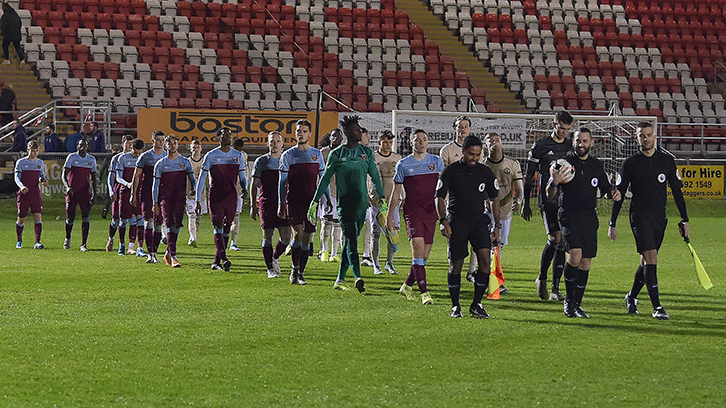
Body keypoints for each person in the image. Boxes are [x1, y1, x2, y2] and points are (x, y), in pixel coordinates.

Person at [609, 122, 690, 320]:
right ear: (636, 139)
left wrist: (684, 219)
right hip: (639, 216)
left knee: (646, 263)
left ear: (655, 136)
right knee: (652, 258)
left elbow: (677, 193)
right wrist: (612, 223)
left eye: (648, 135)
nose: (645, 139)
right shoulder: (630, 163)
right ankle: (657, 307)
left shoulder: (667, 161)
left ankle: (631, 296)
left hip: (659, 217)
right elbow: (619, 195)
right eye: (641, 136)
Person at [546, 128, 621, 318]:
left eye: (585, 141)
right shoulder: (562, 164)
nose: (581, 144)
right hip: (568, 215)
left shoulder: (596, 165)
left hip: (589, 216)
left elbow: (605, 188)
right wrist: (554, 182)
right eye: (578, 141)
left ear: (592, 143)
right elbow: (549, 193)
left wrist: (613, 192)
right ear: (573, 142)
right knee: (575, 256)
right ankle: (568, 301)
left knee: (586, 262)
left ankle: (577, 304)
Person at [312, 115, 386, 293]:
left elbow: (374, 176)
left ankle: (339, 279)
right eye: (356, 129)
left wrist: (381, 199)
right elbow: (325, 179)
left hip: (362, 205)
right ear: (347, 132)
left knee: (349, 243)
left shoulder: (366, 153)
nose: (360, 131)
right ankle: (358, 277)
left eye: (360, 129)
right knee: (351, 240)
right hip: (345, 205)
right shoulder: (337, 154)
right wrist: (315, 202)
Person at [436, 136, 501, 318]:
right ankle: (455, 306)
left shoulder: (485, 172)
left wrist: (497, 226)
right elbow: (439, 197)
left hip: (479, 221)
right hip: (457, 221)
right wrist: (443, 221)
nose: (474, 158)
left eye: (478, 155)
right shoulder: (451, 171)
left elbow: (494, 198)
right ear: (463, 152)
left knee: (485, 263)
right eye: (471, 154)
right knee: (456, 264)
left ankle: (476, 304)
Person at [522, 110, 574, 301]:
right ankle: (542, 279)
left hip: (566, 200)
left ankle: (555, 288)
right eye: (561, 128)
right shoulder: (541, 146)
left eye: (567, 129)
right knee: (556, 239)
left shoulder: (570, 147)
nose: (564, 132)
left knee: (562, 243)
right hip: (548, 200)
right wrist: (526, 202)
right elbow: (529, 177)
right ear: (554, 125)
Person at [387, 129, 443, 305]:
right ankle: (425, 293)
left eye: (424, 139)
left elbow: (444, 187)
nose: (422, 142)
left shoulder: (436, 162)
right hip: (413, 212)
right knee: (417, 249)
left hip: (430, 212)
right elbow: (396, 193)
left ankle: (407, 285)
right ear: (411, 143)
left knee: (424, 256)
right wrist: (390, 217)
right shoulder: (403, 165)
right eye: (418, 140)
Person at [278, 119, 326, 285]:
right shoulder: (288, 155)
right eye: (299, 131)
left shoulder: (316, 154)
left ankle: (301, 272)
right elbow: (282, 182)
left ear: (310, 134)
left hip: (311, 202)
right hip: (294, 200)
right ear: (295, 133)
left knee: (307, 238)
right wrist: (281, 203)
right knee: (298, 234)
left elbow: (323, 178)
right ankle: (294, 270)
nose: (301, 133)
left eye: (304, 131)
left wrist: (326, 198)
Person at [196, 127, 247, 272]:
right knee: (217, 225)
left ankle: (216, 261)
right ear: (218, 138)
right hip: (216, 195)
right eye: (224, 135)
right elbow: (202, 178)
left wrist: (244, 187)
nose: (228, 137)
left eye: (230, 135)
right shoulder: (211, 155)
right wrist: (199, 198)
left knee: (227, 226)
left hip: (231, 195)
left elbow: (242, 177)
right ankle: (224, 259)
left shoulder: (238, 156)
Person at [482, 132, 524, 292]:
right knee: (490, 246)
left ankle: (492, 280)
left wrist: (519, 201)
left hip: (505, 213)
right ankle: (491, 281)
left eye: (497, 140)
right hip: (485, 212)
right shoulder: (482, 166)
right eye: (490, 141)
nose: (494, 142)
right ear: (486, 146)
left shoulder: (512, 164)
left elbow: (519, 188)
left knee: (499, 247)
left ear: (502, 144)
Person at [250, 131, 292, 278]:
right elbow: (254, 184)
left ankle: (274, 257)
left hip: (283, 203)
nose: (274, 144)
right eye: (271, 141)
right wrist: (252, 205)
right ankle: (270, 268)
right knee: (267, 236)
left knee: (286, 236)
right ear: (267, 143)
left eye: (277, 141)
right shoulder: (261, 162)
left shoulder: (287, 160)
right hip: (267, 203)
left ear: (282, 144)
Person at [153, 135, 195, 268]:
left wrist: (193, 188)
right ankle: (174, 256)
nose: (172, 145)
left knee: (176, 225)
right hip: (166, 198)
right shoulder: (161, 164)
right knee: (170, 224)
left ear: (178, 145)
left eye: (174, 143)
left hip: (180, 197)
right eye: (169, 143)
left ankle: (167, 253)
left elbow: (192, 177)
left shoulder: (184, 162)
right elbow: (155, 185)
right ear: (166, 145)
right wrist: (155, 202)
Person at [131, 130, 166, 263]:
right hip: (147, 193)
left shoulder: (166, 157)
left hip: (162, 194)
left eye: (163, 140)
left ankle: (155, 252)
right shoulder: (145, 157)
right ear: (152, 141)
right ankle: (150, 253)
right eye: (158, 140)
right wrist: (133, 194)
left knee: (158, 223)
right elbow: (137, 176)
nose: (161, 143)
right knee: (148, 222)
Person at [370, 129, 402, 275]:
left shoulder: (397, 157)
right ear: (378, 143)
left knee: (393, 232)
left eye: (390, 142)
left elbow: (401, 180)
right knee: (375, 234)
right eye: (385, 142)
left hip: (392, 203)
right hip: (377, 202)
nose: (388, 145)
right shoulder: (373, 157)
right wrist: (368, 196)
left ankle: (389, 263)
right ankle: (376, 264)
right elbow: (366, 177)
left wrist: (402, 197)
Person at [62, 138, 97, 251]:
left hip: (85, 192)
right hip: (73, 191)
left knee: (85, 217)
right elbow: (64, 175)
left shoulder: (91, 159)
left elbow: (94, 178)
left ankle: (83, 244)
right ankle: (67, 238)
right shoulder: (72, 157)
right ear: (77, 146)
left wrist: (94, 193)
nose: (83, 147)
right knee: (70, 217)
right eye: (81, 145)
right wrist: (67, 186)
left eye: (85, 145)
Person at [14, 140, 48, 249]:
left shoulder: (40, 163)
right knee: (21, 218)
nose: (34, 153)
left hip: (35, 193)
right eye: (32, 150)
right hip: (24, 194)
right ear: (28, 150)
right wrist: (21, 186)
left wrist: (43, 180)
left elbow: (41, 176)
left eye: (36, 151)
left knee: (38, 216)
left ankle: (37, 242)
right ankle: (19, 241)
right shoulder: (21, 162)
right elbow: (16, 177)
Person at [116, 138, 146, 257]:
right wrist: (127, 183)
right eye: (135, 152)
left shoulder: (143, 158)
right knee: (123, 220)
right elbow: (118, 177)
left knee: (140, 220)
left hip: (139, 192)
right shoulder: (122, 158)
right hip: (125, 192)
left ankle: (138, 248)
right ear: (131, 148)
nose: (137, 154)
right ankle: (122, 245)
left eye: (139, 152)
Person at [318, 128, 343, 263]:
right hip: (327, 191)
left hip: (340, 192)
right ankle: (324, 250)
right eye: (333, 136)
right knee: (326, 221)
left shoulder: (344, 152)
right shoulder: (324, 152)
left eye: (338, 137)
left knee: (337, 223)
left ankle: (334, 253)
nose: (335, 139)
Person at [105, 136, 132, 254]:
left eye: (131, 143)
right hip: (118, 190)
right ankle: (111, 239)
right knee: (115, 219)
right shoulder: (116, 158)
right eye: (127, 143)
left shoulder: (135, 158)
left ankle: (127, 245)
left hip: (130, 191)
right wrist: (111, 190)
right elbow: (111, 177)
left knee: (128, 219)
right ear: (122, 145)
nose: (129, 145)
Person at [228, 137, 248, 251]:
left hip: (238, 190)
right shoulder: (226, 155)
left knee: (236, 217)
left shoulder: (243, 156)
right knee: (224, 218)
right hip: (226, 190)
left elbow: (245, 172)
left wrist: (245, 188)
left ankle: (233, 243)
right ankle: (223, 241)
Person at [186, 139, 206, 247]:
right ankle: (192, 238)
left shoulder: (204, 161)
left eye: (198, 147)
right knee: (191, 215)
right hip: (189, 194)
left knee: (198, 217)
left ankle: (193, 235)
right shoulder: (187, 162)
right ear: (190, 149)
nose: (196, 150)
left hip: (201, 195)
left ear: (201, 149)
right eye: (194, 147)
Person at [101, 143, 121, 219]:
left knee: (109, 195)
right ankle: (118, 211)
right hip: (119, 178)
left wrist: (100, 177)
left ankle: (106, 208)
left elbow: (103, 167)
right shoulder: (120, 157)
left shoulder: (109, 157)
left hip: (110, 178)